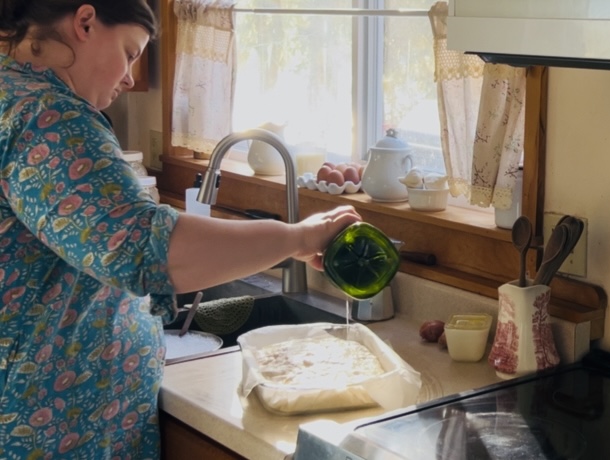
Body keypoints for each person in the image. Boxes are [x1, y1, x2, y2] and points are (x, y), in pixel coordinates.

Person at [0, 1, 361, 457]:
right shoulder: (48, 118)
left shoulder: (11, 93)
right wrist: (300, 237)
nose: (130, 77)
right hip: (55, 430)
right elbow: (149, 250)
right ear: (85, 22)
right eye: (130, 52)